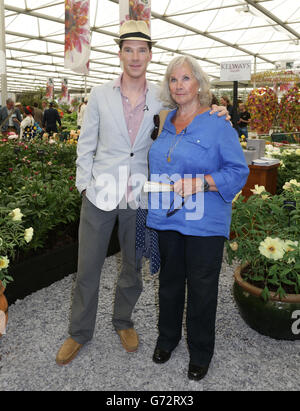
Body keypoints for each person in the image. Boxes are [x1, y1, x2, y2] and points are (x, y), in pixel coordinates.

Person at [55, 20, 229, 366]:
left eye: (142, 50)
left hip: (140, 195)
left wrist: (216, 110)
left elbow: (189, 113)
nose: (135, 57)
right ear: (120, 54)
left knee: (132, 266)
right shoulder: (100, 95)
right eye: (128, 50)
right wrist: (84, 185)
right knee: (87, 266)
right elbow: (86, 145)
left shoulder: (161, 98)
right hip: (100, 194)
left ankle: (123, 321)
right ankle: (79, 332)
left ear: (150, 55)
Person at [146, 56, 249, 381]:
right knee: (170, 283)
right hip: (167, 216)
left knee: (203, 289)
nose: (179, 85)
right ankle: (168, 339)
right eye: (174, 80)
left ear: (199, 84)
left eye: (186, 78)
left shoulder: (218, 123)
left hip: (204, 221)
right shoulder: (165, 119)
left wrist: (202, 181)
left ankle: (201, 352)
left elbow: (238, 170)